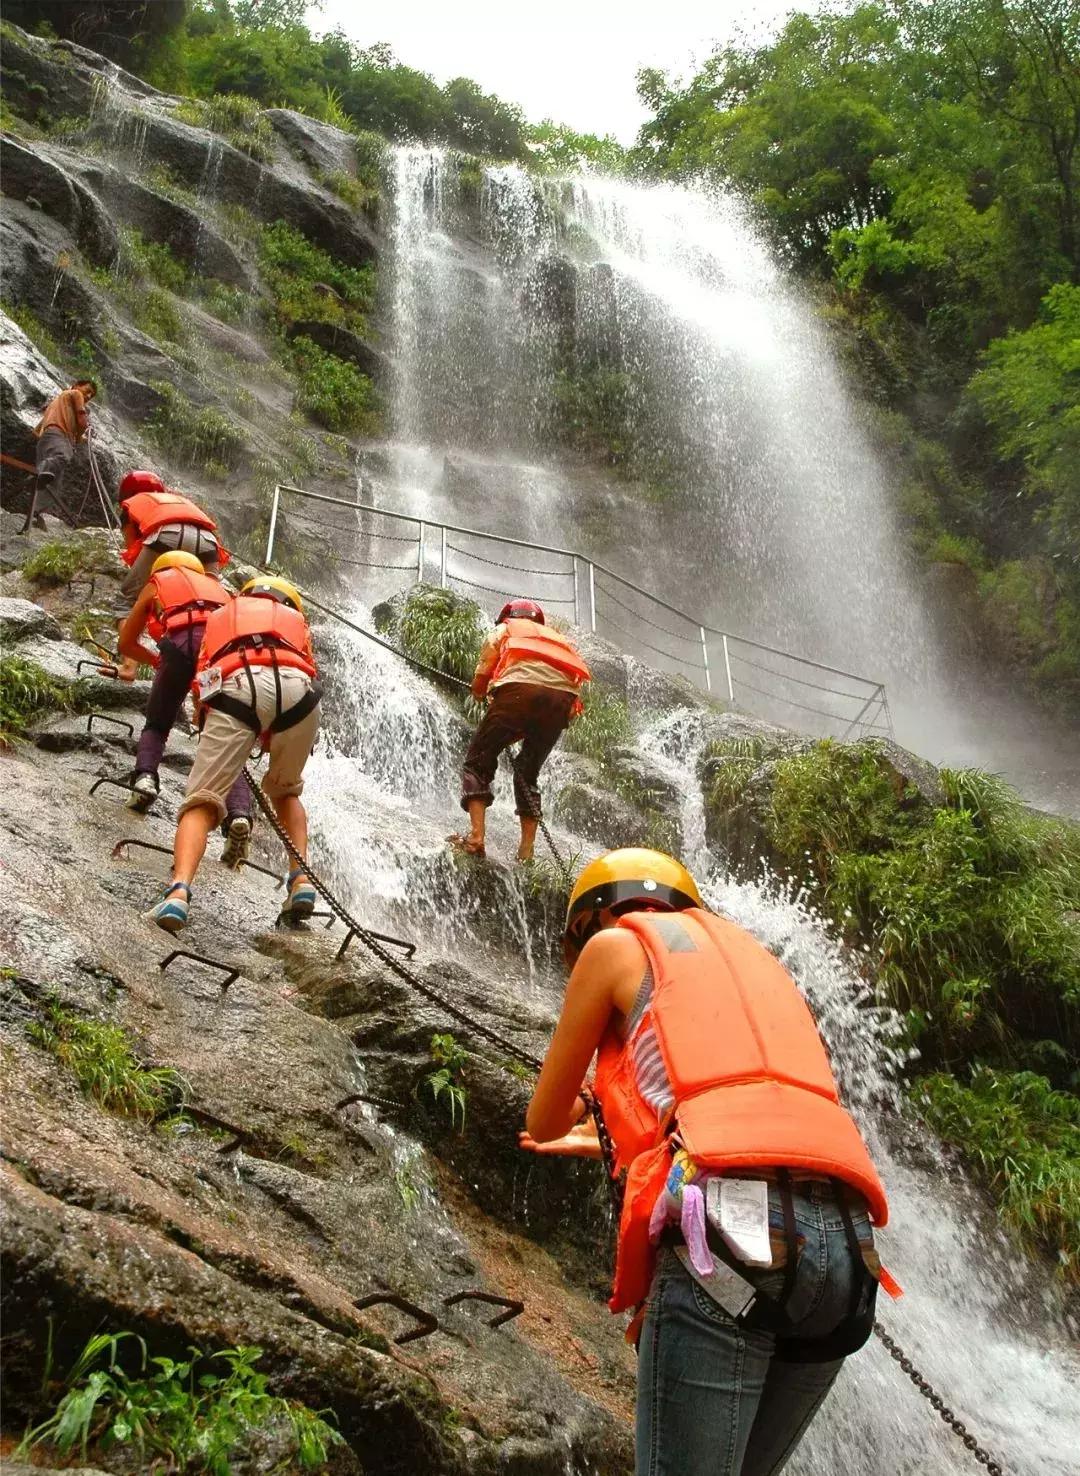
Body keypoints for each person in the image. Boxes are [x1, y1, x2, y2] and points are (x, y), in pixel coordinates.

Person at [520, 848, 890, 1476]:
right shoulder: (759, 960)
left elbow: (542, 1122)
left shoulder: (611, 948)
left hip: (731, 1243)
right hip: (850, 1256)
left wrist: (590, 1095)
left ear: (590, 919)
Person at [146, 576, 322, 934]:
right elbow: (301, 675)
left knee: (202, 800)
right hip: (301, 692)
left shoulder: (224, 614)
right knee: (286, 791)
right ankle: (301, 879)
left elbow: (204, 678)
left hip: (237, 681)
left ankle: (178, 892)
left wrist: (207, 716)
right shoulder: (297, 623)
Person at [116, 550, 253, 862]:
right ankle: (240, 814)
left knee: (158, 723)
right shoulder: (221, 592)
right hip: (220, 659)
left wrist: (161, 663)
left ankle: (145, 780)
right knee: (225, 739)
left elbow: (126, 643)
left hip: (179, 648)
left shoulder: (158, 582)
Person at [449, 599, 590, 862]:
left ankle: (476, 838)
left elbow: (484, 671)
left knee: (477, 763)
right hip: (561, 702)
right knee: (528, 772)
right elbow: (571, 693)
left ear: (508, 616)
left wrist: (481, 692)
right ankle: (526, 852)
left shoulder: (506, 629)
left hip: (518, 693)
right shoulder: (558, 639)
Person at [117, 470, 228, 601]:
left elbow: (132, 549)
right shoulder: (177, 501)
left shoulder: (133, 505)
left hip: (167, 536)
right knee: (212, 600)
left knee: (126, 600)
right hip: (208, 541)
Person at [24, 379, 97, 530]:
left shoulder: (55, 404)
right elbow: (82, 422)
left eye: (92, 395)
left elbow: (36, 431)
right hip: (58, 436)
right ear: (76, 386)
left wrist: (72, 437)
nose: (89, 395)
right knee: (62, 456)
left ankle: (34, 514)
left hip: (47, 439)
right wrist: (86, 429)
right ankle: (38, 473)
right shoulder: (76, 393)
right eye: (88, 390)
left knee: (52, 485)